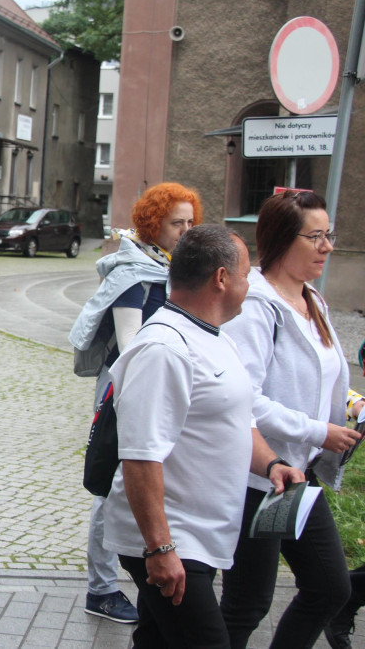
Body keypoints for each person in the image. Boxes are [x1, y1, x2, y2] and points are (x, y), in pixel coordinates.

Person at [102, 225, 305, 648]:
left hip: (200, 535)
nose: (250, 286)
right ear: (221, 278)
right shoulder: (164, 348)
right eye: (247, 275)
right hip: (169, 538)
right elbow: (141, 458)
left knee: (157, 641)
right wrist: (159, 550)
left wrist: (271, 464)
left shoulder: (215, 338)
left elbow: (238, 421)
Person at [218, 189, 364, 649]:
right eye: (315, 236)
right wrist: (318, 430)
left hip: (297, 476)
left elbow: (321, 378)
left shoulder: (312, 300)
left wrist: (350, 405)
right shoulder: (256, 307)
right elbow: (244, 398)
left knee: (330, 588)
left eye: (329, 235)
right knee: (247, 603)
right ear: (282, 239)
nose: (328, 247)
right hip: (257, 477)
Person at [68, 182, 202, 623]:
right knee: (111, 483)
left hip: (159, 384)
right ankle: (101, 589)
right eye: (175, 223)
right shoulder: (134, 272)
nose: (185, 230)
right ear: (153, 223)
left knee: (146, 480)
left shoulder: (168, 266)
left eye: (189, 222)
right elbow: (130, 349)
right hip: (126, 387)